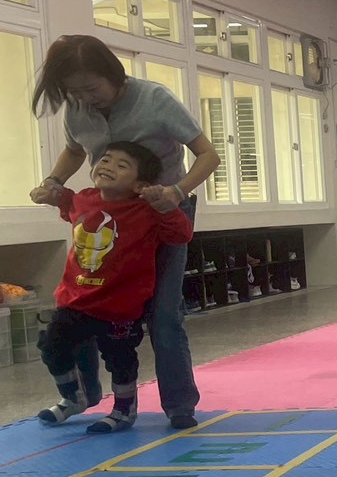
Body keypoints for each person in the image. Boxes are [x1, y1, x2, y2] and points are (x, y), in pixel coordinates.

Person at [30, 35, 219, 430]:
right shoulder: (78, 108)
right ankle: (83, 395)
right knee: (83, 303)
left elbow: (208, 154)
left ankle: (179, 405)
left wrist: (176, 192)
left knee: (164, 314)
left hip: (161, 209)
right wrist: (52, 182)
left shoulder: (154, 99)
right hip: (110, 215)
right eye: (74, 92)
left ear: (113, 75)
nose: (85, 98)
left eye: (91, 88)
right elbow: (76, 150)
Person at [31, 142, 194, 432]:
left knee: (120, 360)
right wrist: (49, 193)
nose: (108, 167)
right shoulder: (84, 198)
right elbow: (67, 202)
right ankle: (73, 398)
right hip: (76, 299)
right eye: (105, 160)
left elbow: (180, 234)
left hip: (119, 306)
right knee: (52, 345)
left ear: (140, 184)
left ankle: (124, 410)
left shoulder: (144, 210)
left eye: (122, 165)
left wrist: (163, 205)